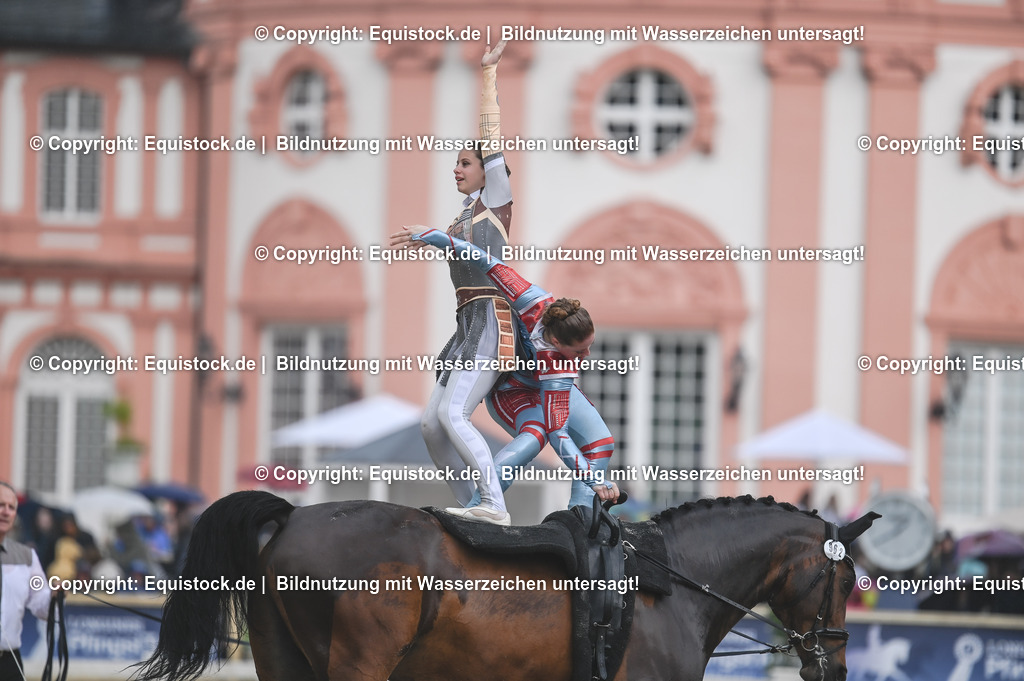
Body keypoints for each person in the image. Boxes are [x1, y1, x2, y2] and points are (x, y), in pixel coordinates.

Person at [390, 229, 620, 511]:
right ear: (557, 340)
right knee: (535, 435)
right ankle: (482, 505)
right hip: (509, 391)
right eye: (579, 350)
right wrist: (430, 235)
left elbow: (559, 431)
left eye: (590, 346)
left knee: (602, 443)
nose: (586, 357)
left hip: (542, 386)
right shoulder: (532, 301)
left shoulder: (563, 369)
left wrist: (594, 480)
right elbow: (485, 260)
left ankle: (582, 523)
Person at [418, 39, 516, 525]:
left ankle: (494, 504)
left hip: (490, 322)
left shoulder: (497, 200)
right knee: (431, 426)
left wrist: (489, 76)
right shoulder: (466, 213)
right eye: (456, 162)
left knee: (454, 415)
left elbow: (491, 137)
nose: (456, 169)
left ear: (487, 171)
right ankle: (470, 504)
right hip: (465, 325)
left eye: (465, 162)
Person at [0, 482, 52, 679]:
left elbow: (42, 605)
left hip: (9, 661)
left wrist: (56, 595)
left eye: (11, 507)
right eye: (0, 505)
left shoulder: (27, 557)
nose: (6, 512)